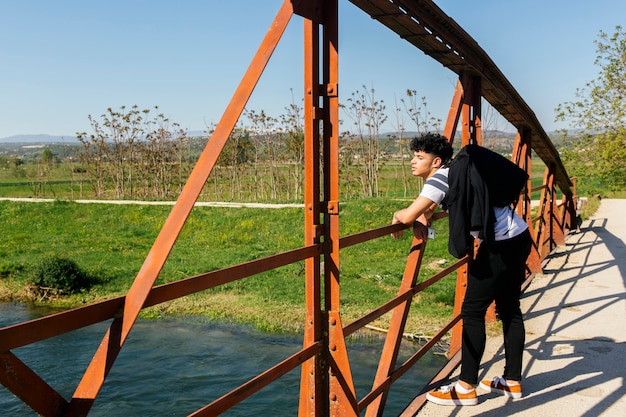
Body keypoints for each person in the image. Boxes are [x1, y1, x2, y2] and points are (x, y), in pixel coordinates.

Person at [391, 132, 532, 406]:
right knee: (510, 307)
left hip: (499, 246)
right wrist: (426, 212)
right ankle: (512, 381)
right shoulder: (457, 173)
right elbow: (436, 206)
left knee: (472, 311)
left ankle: (466, 386)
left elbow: (408, 215)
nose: (412, 161)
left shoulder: (439, 178)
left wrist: (400, 216)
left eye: (419, 157)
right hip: (519, 237)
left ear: (436, 162)